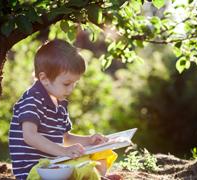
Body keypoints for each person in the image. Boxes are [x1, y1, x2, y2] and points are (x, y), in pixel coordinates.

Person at [8, 39, 120, 180]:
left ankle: (97, 176)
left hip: (56, 164)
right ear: (45, 78)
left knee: (102, 152)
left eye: (75, 83)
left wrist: (90, 140)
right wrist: (63, 151)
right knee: (82, 167)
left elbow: (65, 137)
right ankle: (96, 176)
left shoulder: (60, 103)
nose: (71, 88)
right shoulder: (32, 100)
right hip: (35, 170)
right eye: (67, 83)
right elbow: (29, 136)